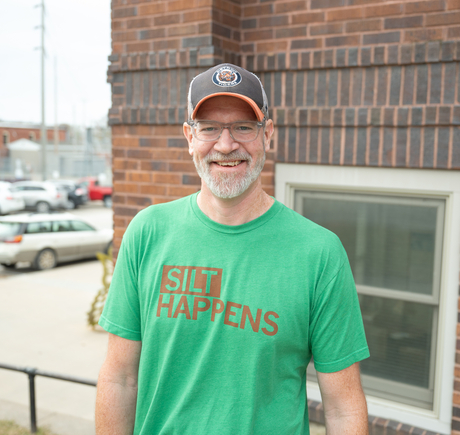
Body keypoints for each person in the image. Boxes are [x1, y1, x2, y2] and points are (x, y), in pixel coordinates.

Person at [96, 63, 370, 435]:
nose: (226, 145)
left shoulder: (318, 253)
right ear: (189, 137)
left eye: (244, 127)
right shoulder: (148, 232)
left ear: (267, 134)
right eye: (209, 128)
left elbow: (342, 408)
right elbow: (120, 378)